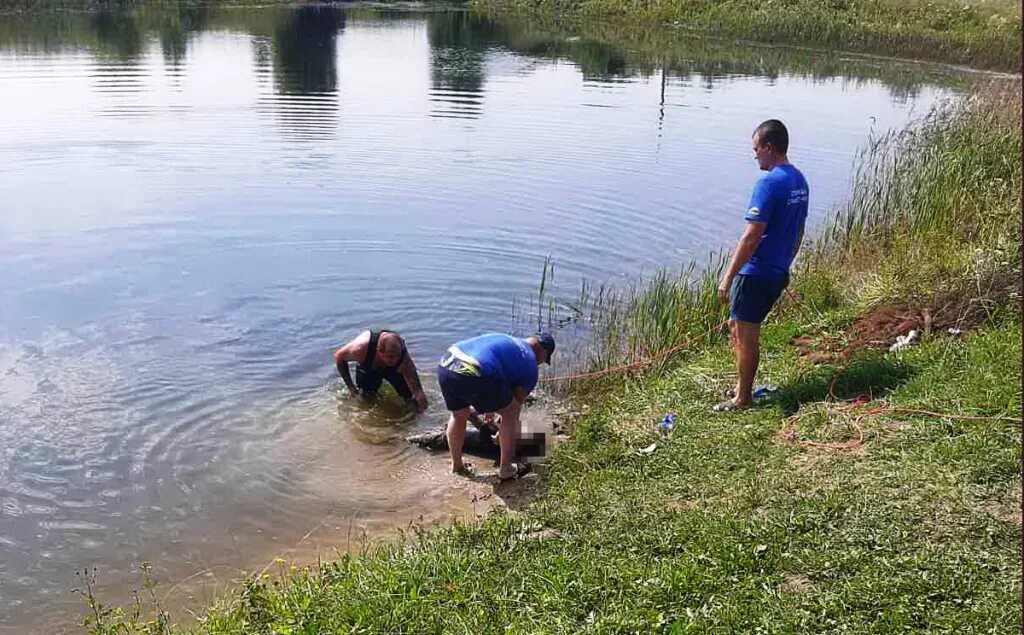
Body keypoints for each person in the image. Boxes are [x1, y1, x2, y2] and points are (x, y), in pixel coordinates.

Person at [715, 119, 808, 412]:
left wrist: (727, 279)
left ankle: (743, 399)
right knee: (736, 325)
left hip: (755, 274)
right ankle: (743, 386)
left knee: (745, 334)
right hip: (776, 271)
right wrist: (784, 267)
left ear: (769, 147)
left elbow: (751, 235)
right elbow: (799, 230)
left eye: (756, 149)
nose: (754, 155)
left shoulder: (769, 183)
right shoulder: (799, 180)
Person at [436, 332, 554, 480]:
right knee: (511, 411)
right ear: (544, 352)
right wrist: (501, 430)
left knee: (459, 414)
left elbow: (493, 365)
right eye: (544, 359)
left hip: (447, 363)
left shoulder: (510, 340)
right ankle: (506, 469)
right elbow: (514, 405)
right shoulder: (530, 364)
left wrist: (490, 408)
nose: (541, 362)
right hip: (475, 370)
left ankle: (457, 466)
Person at [333, 329, 428, 411]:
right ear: (379, 351)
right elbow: (339, 357)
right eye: (390, 357)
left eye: (397, 356)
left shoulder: (402, 355)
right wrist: (350, 387)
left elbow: (418, 390)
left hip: (393, 370)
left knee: (410, 398)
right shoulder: (361, 348)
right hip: (369, 368)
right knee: (367, 400)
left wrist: (423, 410)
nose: (395, 360)